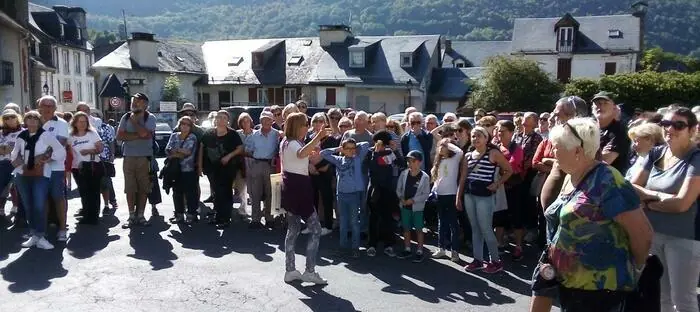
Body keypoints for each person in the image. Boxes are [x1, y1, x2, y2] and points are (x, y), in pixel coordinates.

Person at [531, 117, 652, 312]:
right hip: (568, 282)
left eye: (556, 147)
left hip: (599, 289)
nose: (552, 152)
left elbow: (643, 234)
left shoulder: (608, 180)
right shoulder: (572, 176)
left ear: (577, 151)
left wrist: (635, 270)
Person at [631, 107, 700, 312]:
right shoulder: (655, 153)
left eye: (679, 125)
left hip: (685, 238)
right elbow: (632, 188)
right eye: (666, 124)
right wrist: (661, 197)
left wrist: (649, 201)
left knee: (683, 299)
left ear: (692, 129)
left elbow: (682, 204)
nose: (670, 128)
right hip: (653, 233)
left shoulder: (696, 158)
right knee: (660, 297)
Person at [281, 112, 329, 285]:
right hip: (299, 188)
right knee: (315, 229)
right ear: (297, 126)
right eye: (305, 124)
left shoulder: (288, 142)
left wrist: (313, 150)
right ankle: (309, 271)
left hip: (291, 187)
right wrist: (318, 136)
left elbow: (301, 156)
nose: (307, 127)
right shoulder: (292, 142)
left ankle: (291, 270)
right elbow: (301, 154)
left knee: (293, 230)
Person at [457, 126, 512, 274]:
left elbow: (509, 170)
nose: (475, 139)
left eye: (479, 136)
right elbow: (463, 178)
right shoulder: (468, 155)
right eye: (473, 136)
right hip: (469, 194)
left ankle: (495, 261)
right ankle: (478, 260)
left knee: (486, 228)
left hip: (484, 196)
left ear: (486, 138)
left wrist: (497, 184)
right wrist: (458, 197)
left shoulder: (493, 153)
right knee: (475, 228)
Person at [12, 111, 66, 249]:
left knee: (39, 205)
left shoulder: (45, 135)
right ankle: (34, 234)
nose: (31, 120)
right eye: (28, 117)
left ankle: (41, 236)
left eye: (35, 118)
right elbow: (14, 153)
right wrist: (16, 160)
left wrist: (45, 158)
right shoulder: (21, 135)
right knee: (28, 205)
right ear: (25, 120)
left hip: (40, 174)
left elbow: (61, 152)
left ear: (39, 121)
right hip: (22, 174)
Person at [320, 138, 371, 258]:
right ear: (343, 150)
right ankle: (343, 246)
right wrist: (339, 148)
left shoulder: (358, 158)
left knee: (354, 222)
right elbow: (323, 153)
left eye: (353, 148)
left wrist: (354, 145)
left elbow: (366, 144)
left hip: (354, 195)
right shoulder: (338, 160)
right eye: (347, 149)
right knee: (343, 222)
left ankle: (355, 247)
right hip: (341, 194)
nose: (351, 151)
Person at [116, 93, 157, 228]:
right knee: (130, 188)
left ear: (145, 104)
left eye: (137, 101)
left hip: (145, 157)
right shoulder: (125, 116)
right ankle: (131, 215)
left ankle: (141, 215)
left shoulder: (150, 117)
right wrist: (138, 135)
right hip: (128, 157)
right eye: (133, 101)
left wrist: (134, 122)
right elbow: (119, 136)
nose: (134, 103)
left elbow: (146, 134)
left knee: (143, 188)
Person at [198, 110, 243, 229]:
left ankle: (226, 218)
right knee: (216, 193)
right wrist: (200, 166)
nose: (221, 119)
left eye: (224, 117)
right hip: (211, 168)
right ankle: (218, 216)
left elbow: (240, 148)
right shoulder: (208, 133)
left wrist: (229, 156)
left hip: (227, 168)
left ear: (228, 121)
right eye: (218, 117)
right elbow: (202, 149)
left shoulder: (232, 134)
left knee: (226, 192)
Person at [364, 130, 403, 258]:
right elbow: (367, 167)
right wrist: (376, 153)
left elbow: (402, 164)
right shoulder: (371, 152)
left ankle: (388, 245)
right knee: (373, 217)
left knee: (388, 217)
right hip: (374, 189)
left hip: (388, 188)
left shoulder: (390, 152)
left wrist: (395, 150)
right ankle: (371, 245)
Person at [37, 95, 70, 241]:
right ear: (40, 107)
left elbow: (60, 142)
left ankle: (62, 229)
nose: (48, 108)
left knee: (58, 197)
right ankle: (41, 230)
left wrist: (44, 157)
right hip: (37, 168)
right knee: (41, 198)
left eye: (51, 106)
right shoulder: (33, 121)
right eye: (45, 105)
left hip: (56, 167)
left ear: (55, 108)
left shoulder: (61, 123)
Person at [494, 120, 526, 261]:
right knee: (499, 216)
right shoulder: (496, 148)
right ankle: (499, 243)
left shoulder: (517, 148)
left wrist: (500, 168)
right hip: (500, 188)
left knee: (516, 217)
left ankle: (518, 246)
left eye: (503, 131)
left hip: (514, 187)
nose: (500, 133)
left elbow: (511, 167)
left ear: (511, 133)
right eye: (499, 131)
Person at [430, 138, 464, 262]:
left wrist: (447, 142)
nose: (441, 148)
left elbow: (460, 152)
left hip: (451, 195)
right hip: (440, 195)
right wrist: (434, 190)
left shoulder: (454, 159)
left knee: (453, 223)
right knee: (441, 222)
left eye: (443, 146)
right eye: (440, 146)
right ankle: (441, 248)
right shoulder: (438, 161)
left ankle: (455, 251)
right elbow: (436, 179)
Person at [245, 111, 280, 228]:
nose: (266, 121)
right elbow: (247, 150)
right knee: (255, 193)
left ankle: (269, 218)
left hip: (271, 165)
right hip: (257, 163)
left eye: (268, 119)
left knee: (270, 193)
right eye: (263, 119)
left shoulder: (277, 134)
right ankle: (255, 219)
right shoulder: (253, 135)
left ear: (272, 121)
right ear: (260, 121)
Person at [68, 112, 104, 225]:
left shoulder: (92, 134)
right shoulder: (71, 136)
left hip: (92, 166)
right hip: (77, 167)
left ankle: (94, 217)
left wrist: (89, 151)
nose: (83, 124)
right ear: (75, 123)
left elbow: (100, 148)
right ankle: (86, 214)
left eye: (85, 121)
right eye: (80, 121)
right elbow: (68, 151)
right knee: (83, 192)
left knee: (94, 192)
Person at [395, 150, 431, 262]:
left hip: (417, 208)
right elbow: (399, 188)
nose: (410, 163)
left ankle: (419, 250)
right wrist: (401, 198)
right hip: (405, 206)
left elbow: (425, 194)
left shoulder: (424, 177)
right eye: (408, 161)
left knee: (419, 229)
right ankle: (407, 248)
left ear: (419, 162)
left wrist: (413, 200)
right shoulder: (404, 173)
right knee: (406, 228)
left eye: (413, 161)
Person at [305, 112, 336, 235]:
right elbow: (304, 153)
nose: (318, 124)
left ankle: (328, 226)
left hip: (325, 172)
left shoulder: (331, 138)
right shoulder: (309, 137)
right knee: (312, 200)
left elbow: (331, 156)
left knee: (327, 199)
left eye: (320, 121)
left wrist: (317, 166)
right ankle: (312, 225)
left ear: (325, 123)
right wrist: (309, 166)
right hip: (311, 173)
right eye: (315, 121)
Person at [166, 116, 199, 224]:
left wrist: (175, 151)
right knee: (177, 192)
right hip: (175, 170)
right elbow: (167, 149)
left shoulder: (192, 137)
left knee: (190, 193)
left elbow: (188, 152)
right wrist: (178, 152)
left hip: (188, 170)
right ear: (179, 125)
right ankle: (179, 215)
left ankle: (191, 214)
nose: (184, 126)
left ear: (190, 127)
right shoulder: (174, 135)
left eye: (187, 124)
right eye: (182, 124)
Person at [592, 91, 631, 174]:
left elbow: (604, 160)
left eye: (605, 103)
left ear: (614, 108)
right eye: (598, 103)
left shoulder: (619, 130)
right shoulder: (589, 128)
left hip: (610, 181)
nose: (601, 106)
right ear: (592, 107)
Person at [0, 109, 22, 217]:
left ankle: (18, 208)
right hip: (3, 163)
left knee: (17, 187)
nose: (9, 120)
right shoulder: (1, 133)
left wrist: (11, 149)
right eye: (6, 118)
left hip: (18, 163)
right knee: (3, 187)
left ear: (17, 117)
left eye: (12, 117)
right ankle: (1, 208)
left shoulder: (23, 131)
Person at [236, 113, 254, 218]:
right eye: (243, 121)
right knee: (241, 189)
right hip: (240, 164)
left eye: (247, 120)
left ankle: (254, 211)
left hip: (252, 163)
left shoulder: (256, 133)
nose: (245, 123)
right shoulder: (237, 134)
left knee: (253, 189)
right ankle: (242, 210)